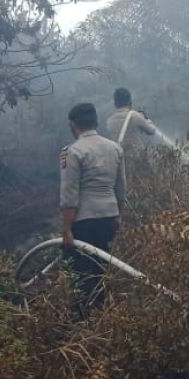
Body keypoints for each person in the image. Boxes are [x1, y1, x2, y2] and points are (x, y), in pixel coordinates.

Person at [60, 102, 126, 314]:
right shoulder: (115, 148)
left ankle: (82, 318)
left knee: (80, 271)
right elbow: (121, 187)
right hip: (108, 218)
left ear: (73, 125)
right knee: (101, 269)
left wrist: (67, 228)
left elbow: (69, 194)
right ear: (95, 122)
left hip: (84, 222)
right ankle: (101, 314)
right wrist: (118, 216)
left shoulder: (73, 151)